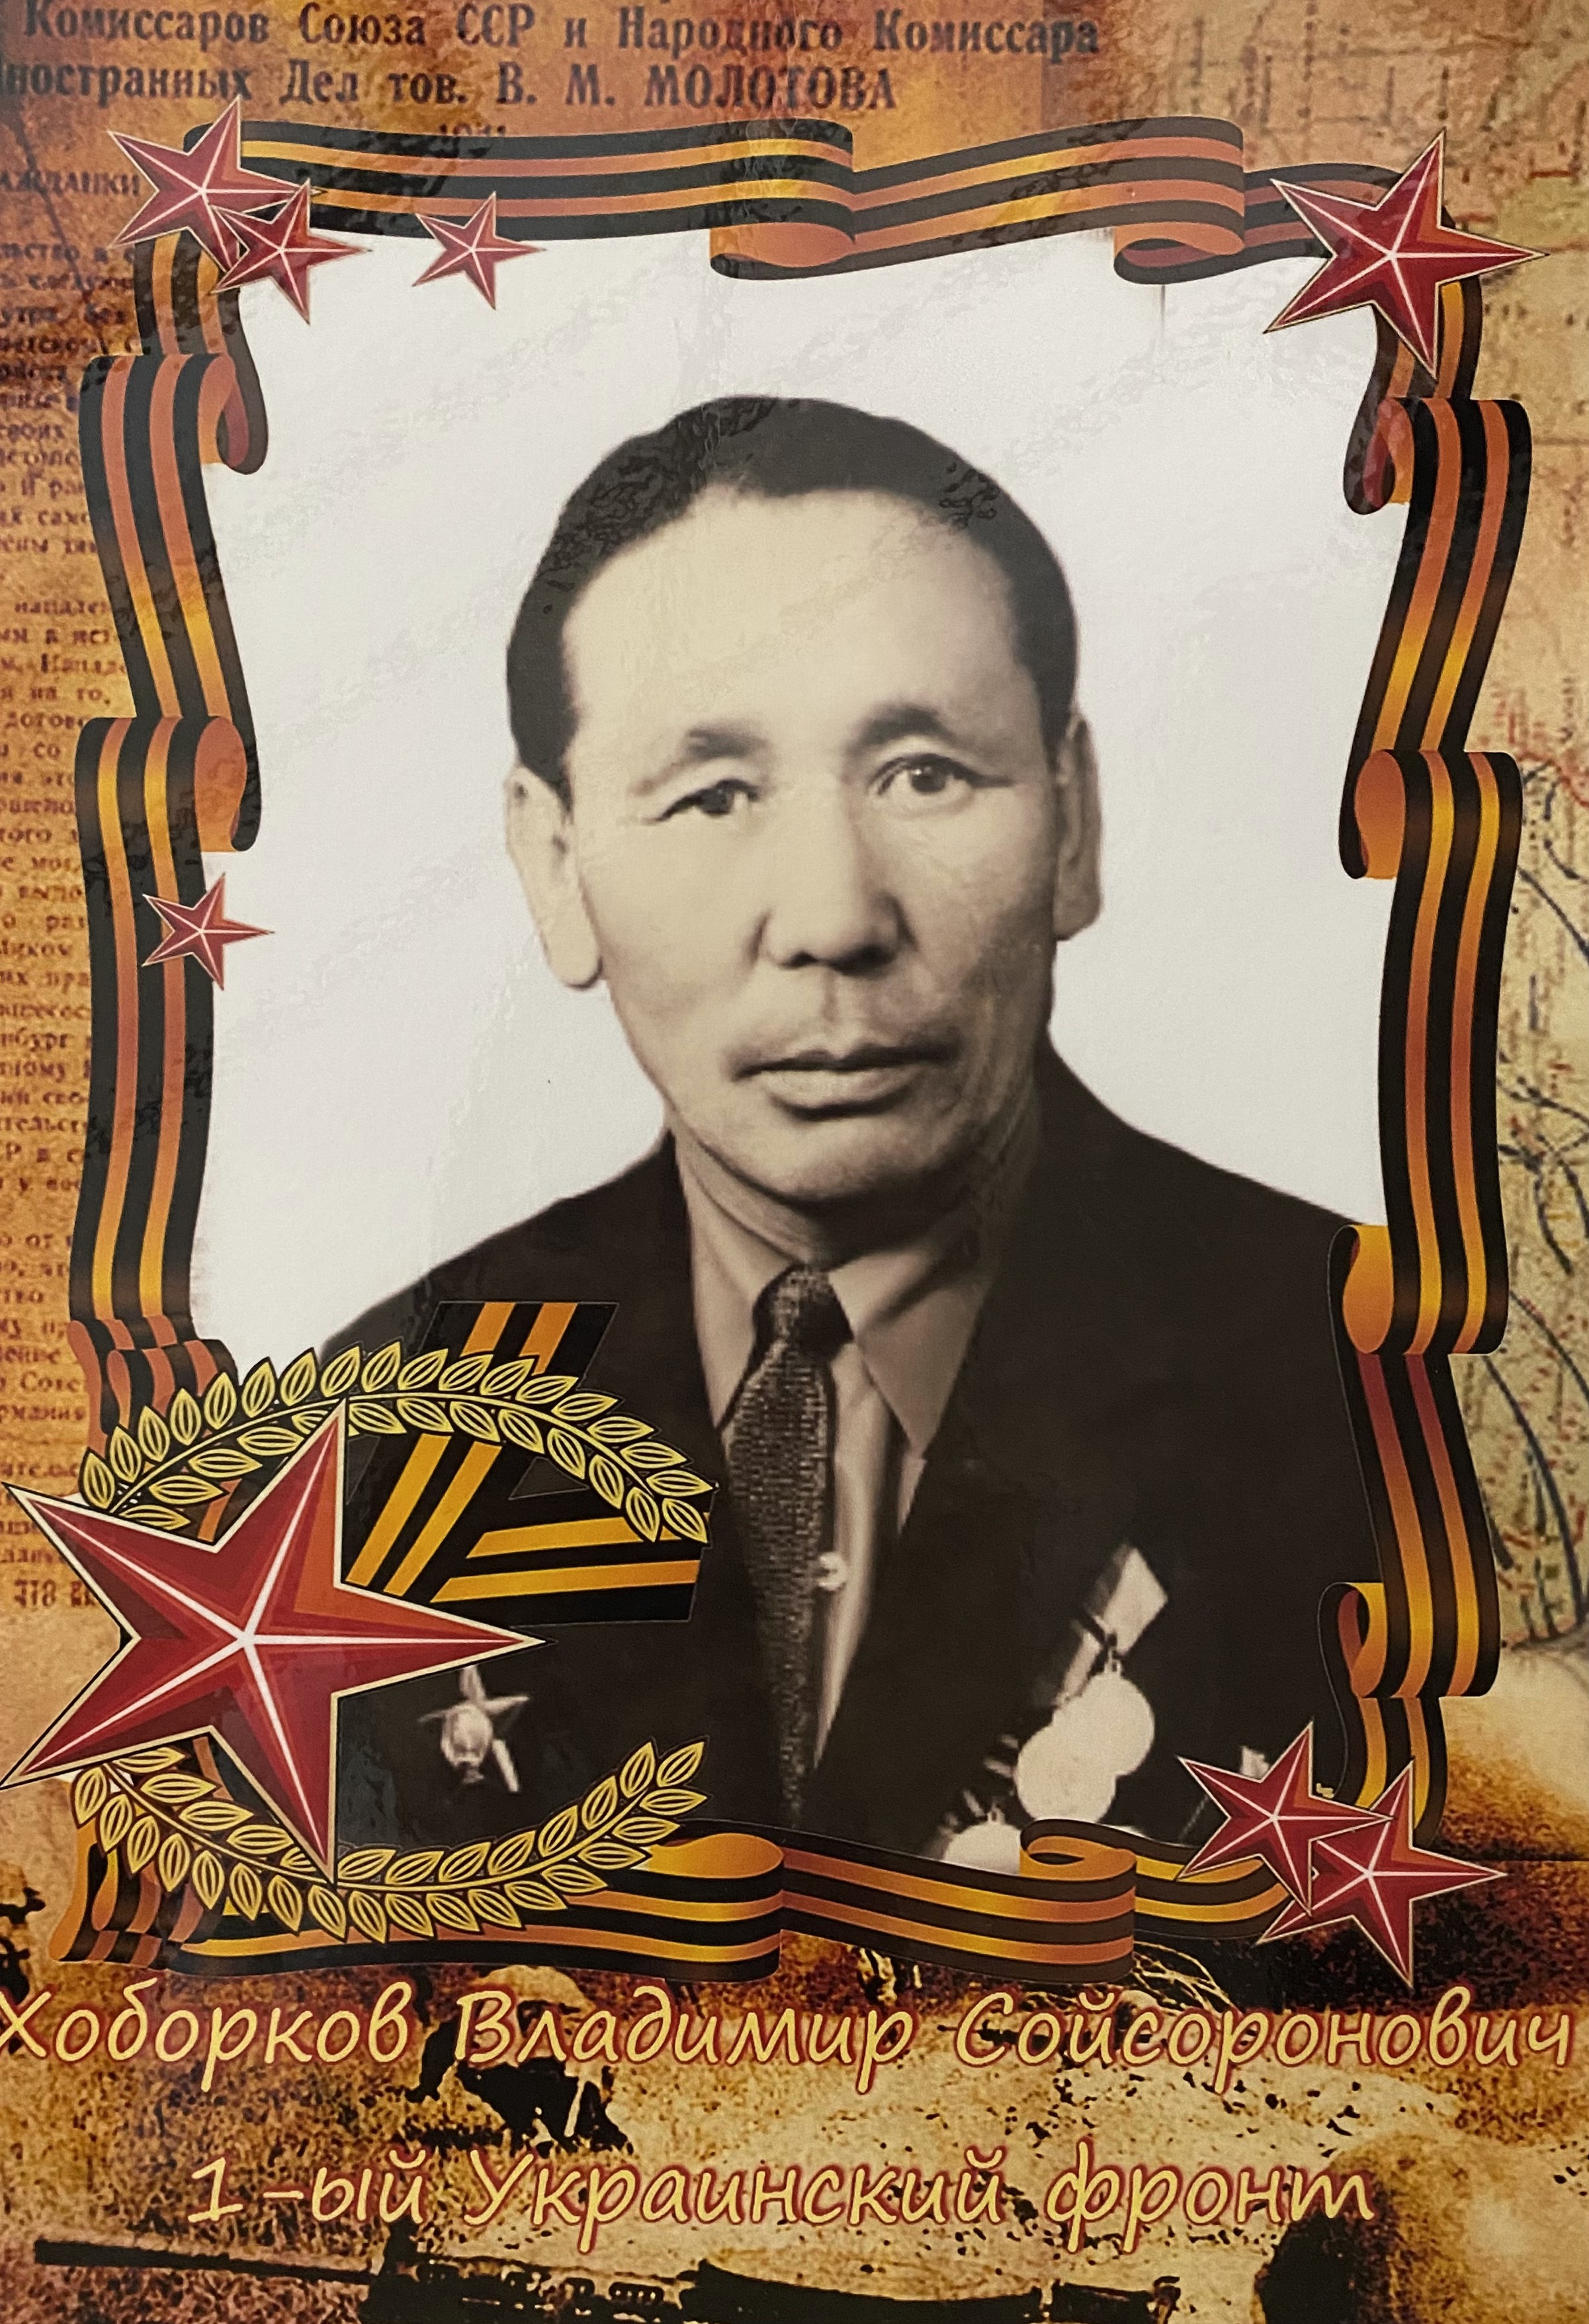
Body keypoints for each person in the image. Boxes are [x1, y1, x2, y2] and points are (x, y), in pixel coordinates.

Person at [334, 395, 1377, 1864]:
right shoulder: (372, 1441)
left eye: (924, 776)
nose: (832, 918)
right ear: (554, 862)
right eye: (711, 796)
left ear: (1073, 821)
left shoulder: (1383, 1383)